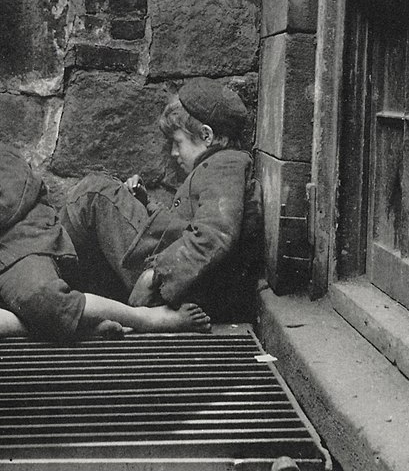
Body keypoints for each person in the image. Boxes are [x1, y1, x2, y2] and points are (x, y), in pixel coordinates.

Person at [0, 114, 213, 345]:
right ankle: (76, 325)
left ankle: (148, 318)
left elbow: (2, 202)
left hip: (20, 249)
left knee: (42, 298)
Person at [60, 77, 262, 323]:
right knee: (103, 193)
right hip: (184, 281)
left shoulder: (225, 165)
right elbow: (185, 225)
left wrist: (155, 275)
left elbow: (215, 235)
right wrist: (145, 203)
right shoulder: (219, 167)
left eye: (178, 143)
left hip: (178, 286)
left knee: (95, 194)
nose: (174, 153)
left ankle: (49, 289)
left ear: (207, 135)